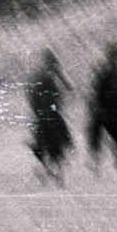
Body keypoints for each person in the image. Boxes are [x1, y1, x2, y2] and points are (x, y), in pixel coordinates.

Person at [27, 49, 74, 184]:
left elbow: (67, 86)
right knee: (58, 136)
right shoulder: (43, 76)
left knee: (51, 139)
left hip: (48, 111)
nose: (53, 66)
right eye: (52, 63)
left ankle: (52, 169)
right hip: (47, 112)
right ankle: (52, 169)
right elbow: (36, 97)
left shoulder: (49, 74)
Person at [85, 42, 117, 176]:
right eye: (116, 57)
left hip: (112, 113)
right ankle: (96, 165)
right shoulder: (103, 73)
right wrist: (97, 109)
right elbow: (94, 92)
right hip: (102, 113)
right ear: (111, 57)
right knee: (99, 141)